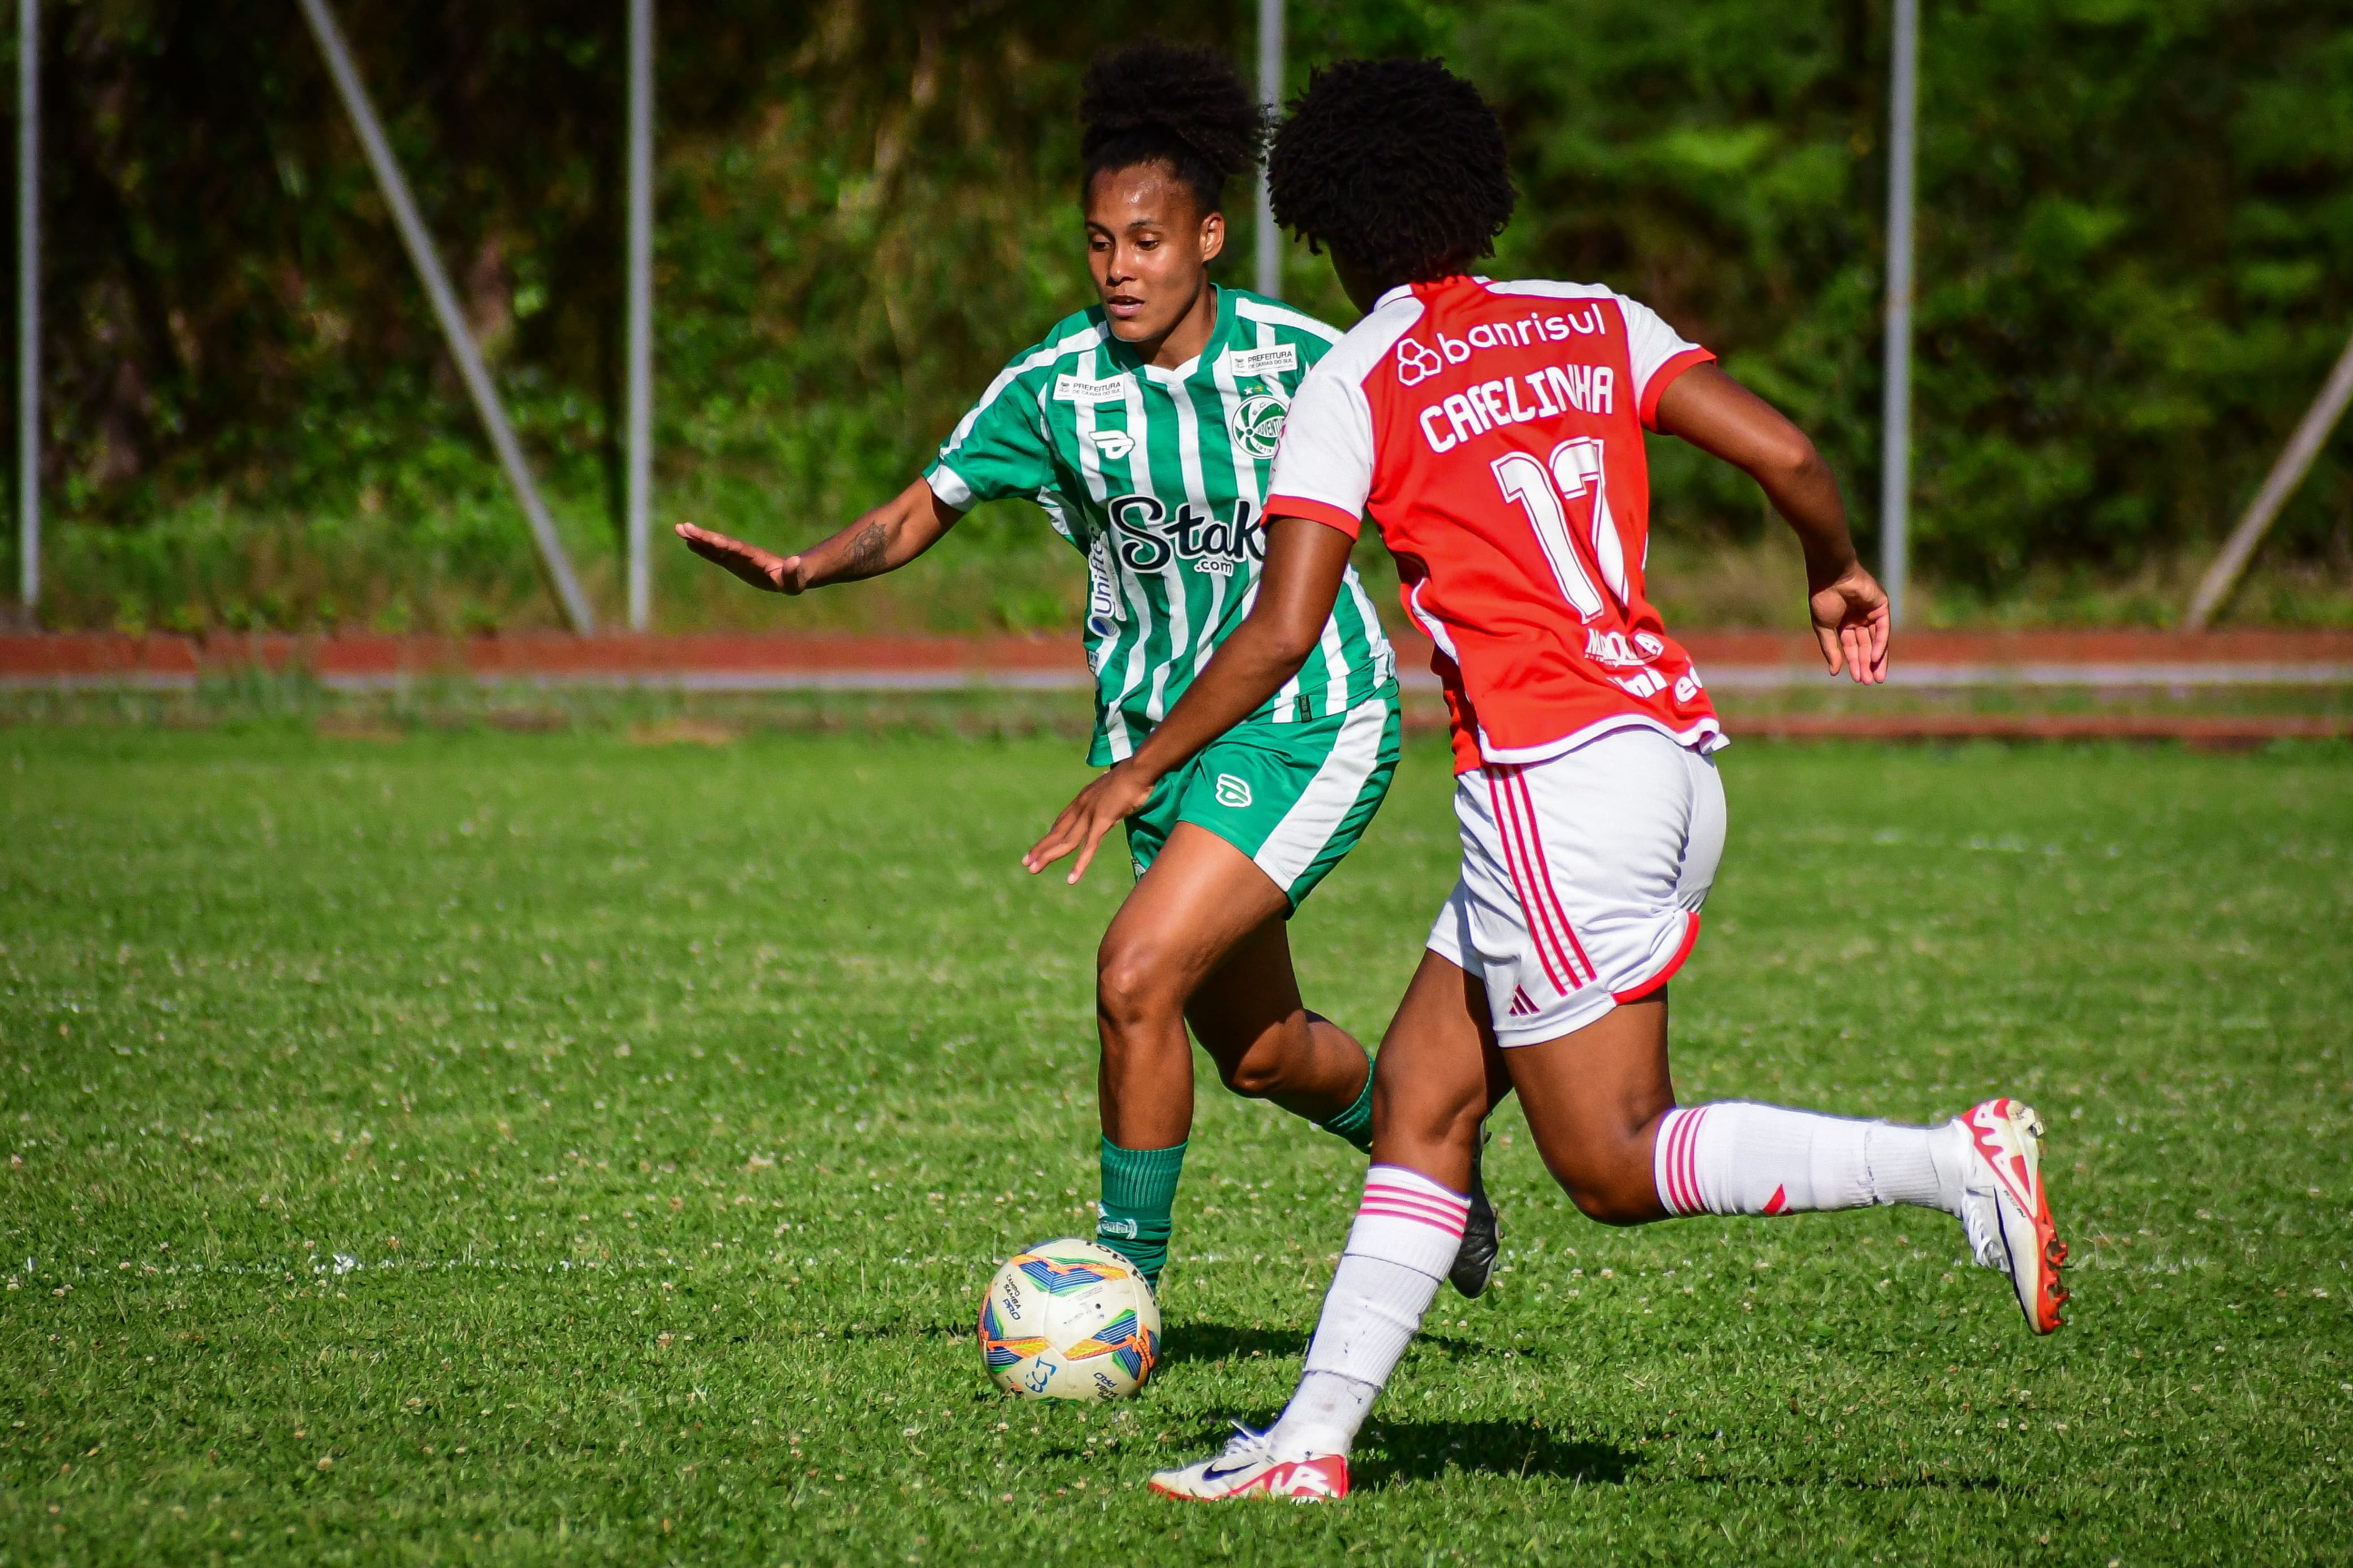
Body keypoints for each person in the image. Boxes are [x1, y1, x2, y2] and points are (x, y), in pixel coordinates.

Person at [1016, 58, 2068, 1503]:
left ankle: (1953, 1160)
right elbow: (1790, 450)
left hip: (1547, 783)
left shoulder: (1354, 377)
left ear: (1322, 223)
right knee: (1424, 1108)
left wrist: (1137, 771)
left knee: (1610, 1164)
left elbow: (1279, 630)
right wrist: (1834, 569)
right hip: (1668, 761)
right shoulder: (1593, 319)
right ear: (1472, 189)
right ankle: (1307, 1445)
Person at [676, 41, 1499, 1305]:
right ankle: (1430, 1167)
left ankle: (1119, 1289)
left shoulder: (1310, 362)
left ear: (1210, 238)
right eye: (1099, 244)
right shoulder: (1059, 385)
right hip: (1154, 738)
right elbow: (920, 510)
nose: (1120, 268)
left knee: (1132, 973)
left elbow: (1440, 493)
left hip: (1304, 720)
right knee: (1263, 1053)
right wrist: (803, 571)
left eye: (1148, 241)